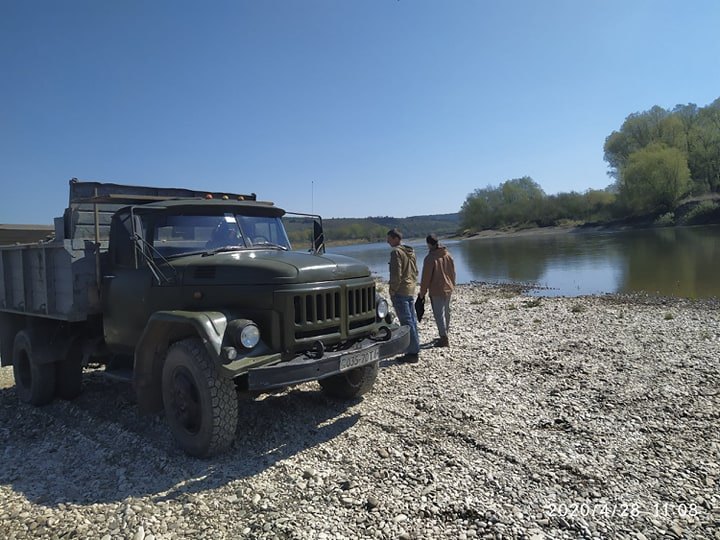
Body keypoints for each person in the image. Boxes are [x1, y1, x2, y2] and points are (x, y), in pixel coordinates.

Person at [386, 228, 420, 362]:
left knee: (406, 322)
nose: (387, 241)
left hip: (400, 290)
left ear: (395, 238)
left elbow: (396, 274)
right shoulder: (410, 251)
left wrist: (392, 290)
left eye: (388, 238)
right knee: (412, 320)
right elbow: (415, 271)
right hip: (410, 289)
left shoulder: (396, 252)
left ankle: (412, 353)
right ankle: (415, 348)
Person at [418, 234, 456, 347]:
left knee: (439, 314)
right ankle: (445, 333)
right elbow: (453, 272)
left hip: (436, 289)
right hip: (448, 287)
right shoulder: (448, 255)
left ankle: (444, 338)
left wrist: (422, 293)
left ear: (429, 244)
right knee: (447, 311)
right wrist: (453, 284)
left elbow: (425, 278)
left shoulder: (430, 258)